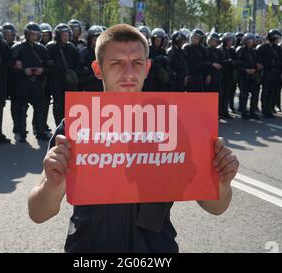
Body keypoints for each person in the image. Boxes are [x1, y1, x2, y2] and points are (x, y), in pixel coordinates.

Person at [28, 24, 239, 253]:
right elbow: (38, 213)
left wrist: (222, 181)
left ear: (147, 67)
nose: (129, 73)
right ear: (98, 70)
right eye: (117, 63)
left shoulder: (173, 126)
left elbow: (216, 206)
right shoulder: (77, 126)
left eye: (137, 63)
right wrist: (52, 184)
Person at [10, 22, 51, 143]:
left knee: (39, 108)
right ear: (27, 34)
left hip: (37, 83)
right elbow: (10, 66)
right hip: (23, 83)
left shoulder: (42, 49)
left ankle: (40, 132)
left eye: (37, 34)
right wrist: (23, 70)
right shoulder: (17, 48)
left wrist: (42, 70)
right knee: (22, 109)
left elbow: (49, 65)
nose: (35, 37)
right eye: (33, 34)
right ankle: (22, 133)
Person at [46, 23, 79, 127]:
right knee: (58, 104)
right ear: (58, 35)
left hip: (69, 81)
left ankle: (70, 126)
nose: (66, 37)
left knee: (71, 105)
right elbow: (46, 63)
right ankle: (59, 126)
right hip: (56, 80)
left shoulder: (71, 47)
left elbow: (76, 63)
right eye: (63, 35)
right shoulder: (51, 47)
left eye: (67, 35)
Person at [256, 29, 282, 118]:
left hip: (275, 72)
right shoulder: (262, 48)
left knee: (273, 92)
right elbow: (258, 59)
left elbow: (281, 61)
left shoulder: (278, 48)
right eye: (276, 38)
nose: (277, 40)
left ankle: (270, 109)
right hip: (266, 72)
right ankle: (264, 110)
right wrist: (259, 65)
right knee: (265, 91)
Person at [235, 33, 260, 120]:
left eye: (251, 41)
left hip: (253, 75)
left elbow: (258, 63)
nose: (250, 42)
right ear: (245, 41)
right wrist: (245, 70)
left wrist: (256, 69)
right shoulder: (240, 50)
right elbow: (237, 64)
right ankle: (244, 112)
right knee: (243, 95)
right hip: (243, 75)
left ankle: (253, 112)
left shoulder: (255, 51)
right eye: (248, 41)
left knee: (255, 94)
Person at [78, 25, 103, 91]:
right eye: (95, 39)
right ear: (90, 40)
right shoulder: (84, 52)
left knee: (104, 100)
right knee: (95, 100)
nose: (97, 42)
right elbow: (80, 68)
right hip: (90, 83)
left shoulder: (106, 52)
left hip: (103, 82)